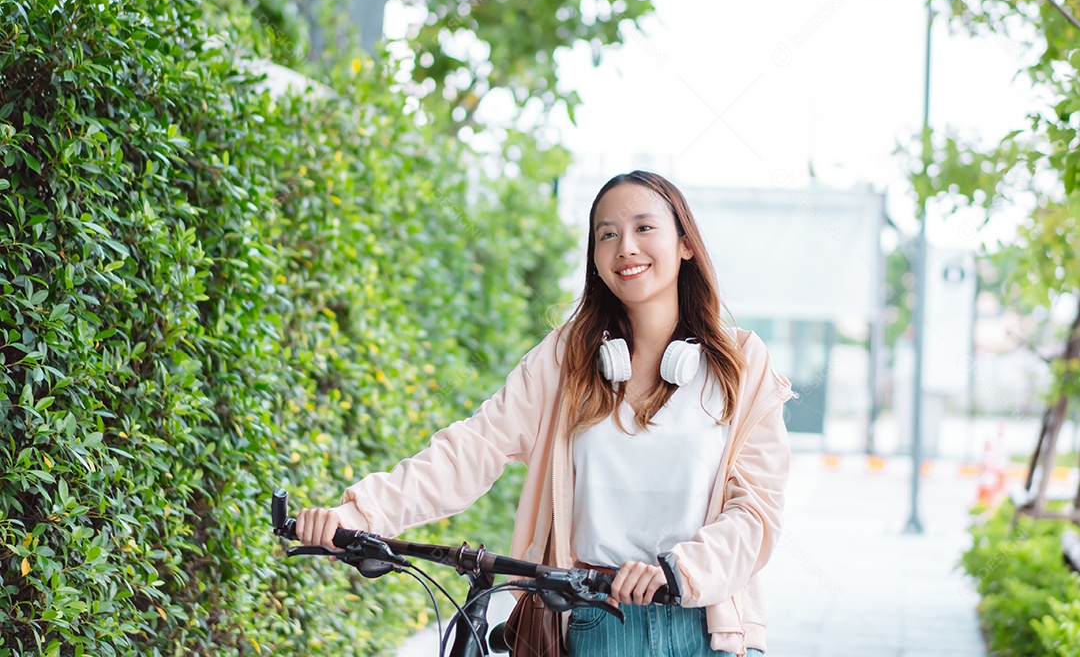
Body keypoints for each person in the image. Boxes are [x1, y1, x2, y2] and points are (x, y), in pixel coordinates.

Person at [296, 170, 793, 656]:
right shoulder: (567, 359)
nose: (626, 247)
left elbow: (757, 510)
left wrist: (681, 571)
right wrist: (358, 514)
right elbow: (474, 446)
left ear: (685, 244)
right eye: (607, 234)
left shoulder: (742, 364)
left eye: (644, 227)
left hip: (706, 627)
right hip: (597, 621)